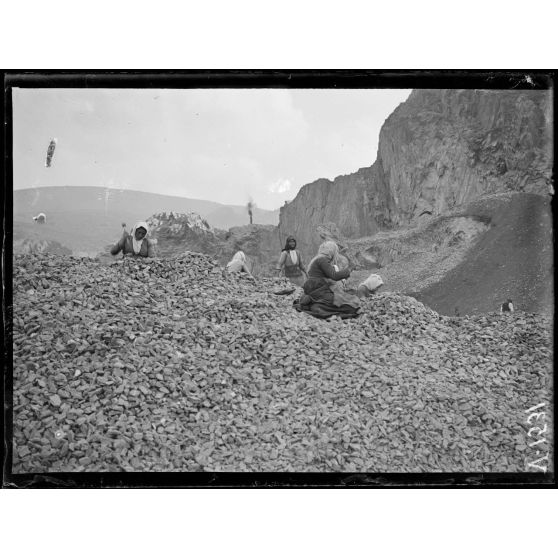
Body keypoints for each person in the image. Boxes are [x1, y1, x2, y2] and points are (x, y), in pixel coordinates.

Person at [295, 241, 360, 319]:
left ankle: (315, 305)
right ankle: (317, 307)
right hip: (319, 291)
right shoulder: (322, 260)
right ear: (332, 252)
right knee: (350, 304)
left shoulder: (317, 260)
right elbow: (334, 276)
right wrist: (349, 269)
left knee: (343, 300)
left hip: (316, 291)